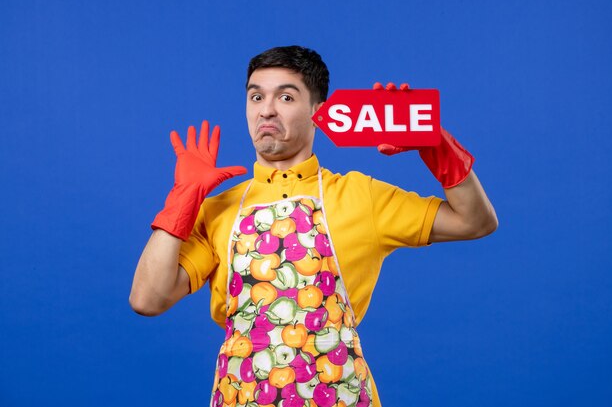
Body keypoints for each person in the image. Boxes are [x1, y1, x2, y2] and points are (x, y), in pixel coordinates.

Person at [130, 45, 497, 407]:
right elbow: (147, 299)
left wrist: (434, 144)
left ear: (318, 112)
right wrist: (181, 201)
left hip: (338, 394)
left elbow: (474, 221)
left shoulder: (360, 195)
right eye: (256, 97)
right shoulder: (217, 210)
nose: (267, 110)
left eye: (286, 97)